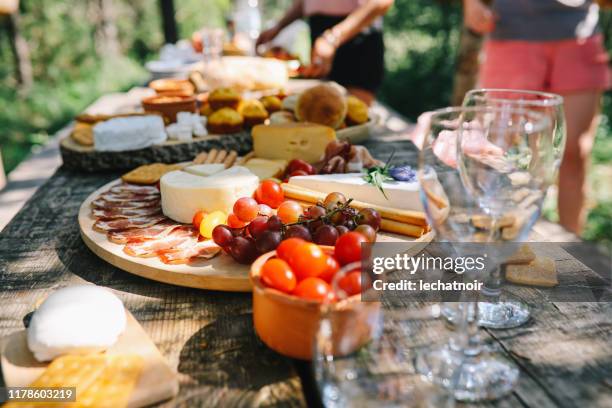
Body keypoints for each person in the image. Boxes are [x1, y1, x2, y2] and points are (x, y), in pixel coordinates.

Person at [463, 0, 610, 234]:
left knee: (574, 153)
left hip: (579, 42)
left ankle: (571, 257)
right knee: (495, 148)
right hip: (511, 36)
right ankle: (486, 238)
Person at [256, 0, 394, 105]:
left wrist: (333, 37)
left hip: (358, 36)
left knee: (353, 121)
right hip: (321, 33)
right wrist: (278, 27)